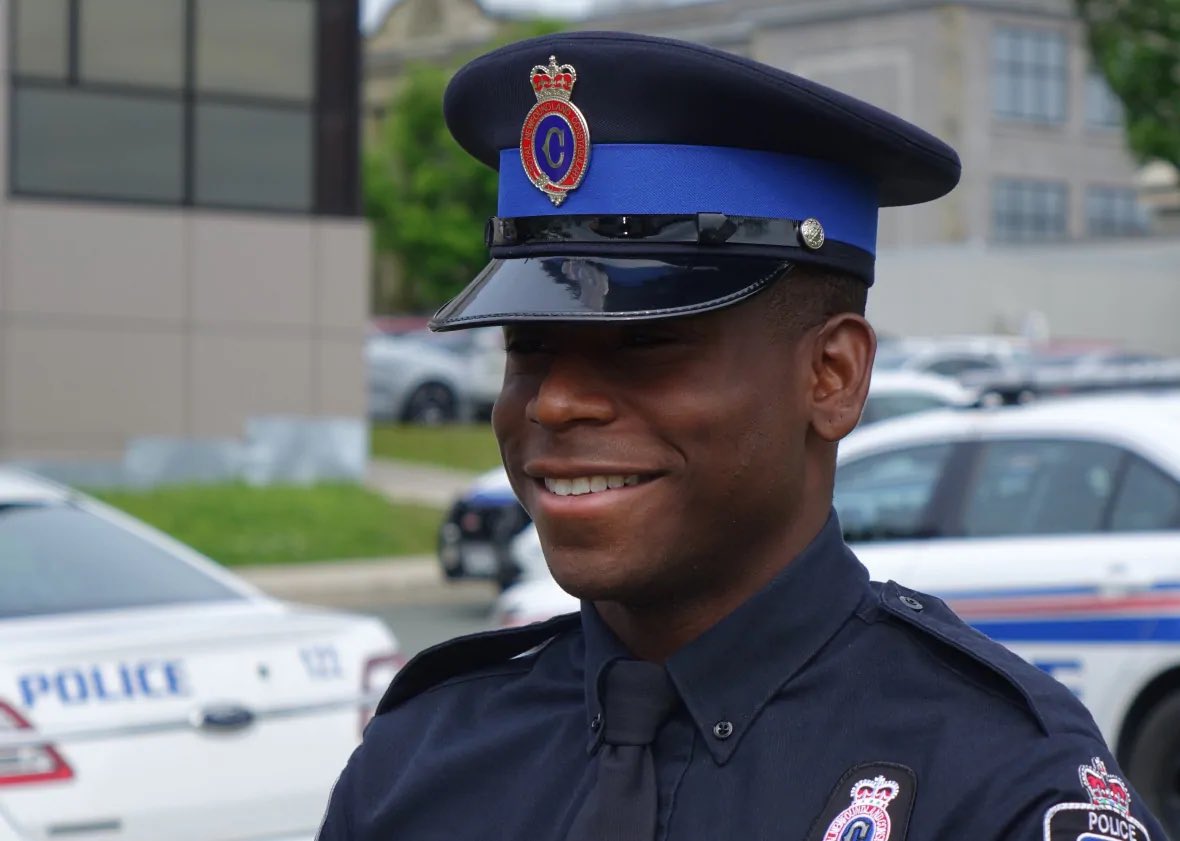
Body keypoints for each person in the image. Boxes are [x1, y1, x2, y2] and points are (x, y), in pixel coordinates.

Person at [319, 31, 1166, 841]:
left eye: (644, 340)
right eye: (528, 346)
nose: (556, 402)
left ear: (831, 375)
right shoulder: (423, 755)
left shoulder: (997, 782)